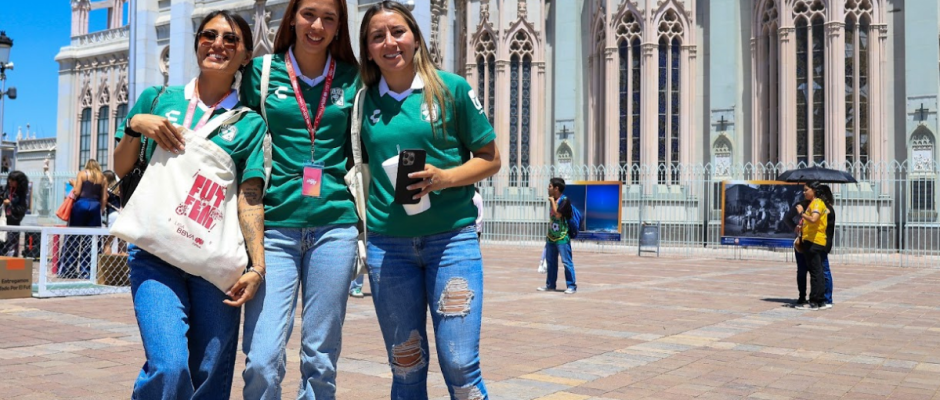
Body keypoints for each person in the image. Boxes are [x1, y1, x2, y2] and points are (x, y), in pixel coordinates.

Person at [113, 10, 268, 399]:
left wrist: (257, 265)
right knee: (168, 365)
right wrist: (137, 125)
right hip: (154, 251)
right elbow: (120, 167)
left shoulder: (250, 123)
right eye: (209, 35)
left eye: (230, 39)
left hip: (213, 263)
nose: (218, 44)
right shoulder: (158, 99)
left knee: (210, 373)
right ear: (197, 41)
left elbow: (249, 197)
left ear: (246, 55)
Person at [356, 2, 501, 398]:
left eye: (398, 31)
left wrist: (442, 178)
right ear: (367, 49)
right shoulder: (361, 103)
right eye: (377, 36)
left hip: (451, 241)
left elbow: (491, 159)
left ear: (416, 37)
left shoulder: (451, 88)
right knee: (406, 367)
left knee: (459, 364)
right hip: (388, 247)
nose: (390, 42)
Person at [238, 0, 361, 398]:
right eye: (309, 14)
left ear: (339, 25)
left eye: (329, 17)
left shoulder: (353, 77)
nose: (317, 25)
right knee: (262, 358)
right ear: (291, 16)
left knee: (320, 359)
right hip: (275, 227)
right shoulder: (261, 72)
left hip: (335, 225)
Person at [60, 159, 108, 279]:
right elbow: (104, 198)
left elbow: (77, 191)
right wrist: (100, 210)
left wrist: (73, 183)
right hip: (95, 206)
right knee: (92, 239)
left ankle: (69, 269)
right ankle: (88, 270)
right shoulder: (103, 178)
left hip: (81, 205)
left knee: (73, 237)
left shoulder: (82, 173)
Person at [793, 181, 830, 310]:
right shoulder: (816, 203)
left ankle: (814, 301)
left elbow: (814, 219)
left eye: (806, 190)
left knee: (815, 272)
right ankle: (820, 301)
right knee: (818, 271)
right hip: (814, 240)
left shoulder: (817, 203)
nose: (804, 192)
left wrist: (801, 213)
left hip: (814, 241)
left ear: (813, 190)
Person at [538, 177, 577, 294]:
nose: (548, 188)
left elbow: (558, 214)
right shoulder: (553, 199)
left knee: (566, 262)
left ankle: (571, 286)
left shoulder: (565, 201)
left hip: (562, 237)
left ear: (556, 188)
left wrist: (551, 201)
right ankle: (550, 284)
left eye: (550, 186)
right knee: (551, 261)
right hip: (551, 236)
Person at [1, 171, 29, 257]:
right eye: (9, 179)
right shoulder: (5, 190)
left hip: (13, 226)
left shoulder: (21, 195)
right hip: (2, 223)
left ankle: (10, 269)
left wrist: (10, 204)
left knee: (11, 251)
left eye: (13, 180)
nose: (10, 181)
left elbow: (21, 211)